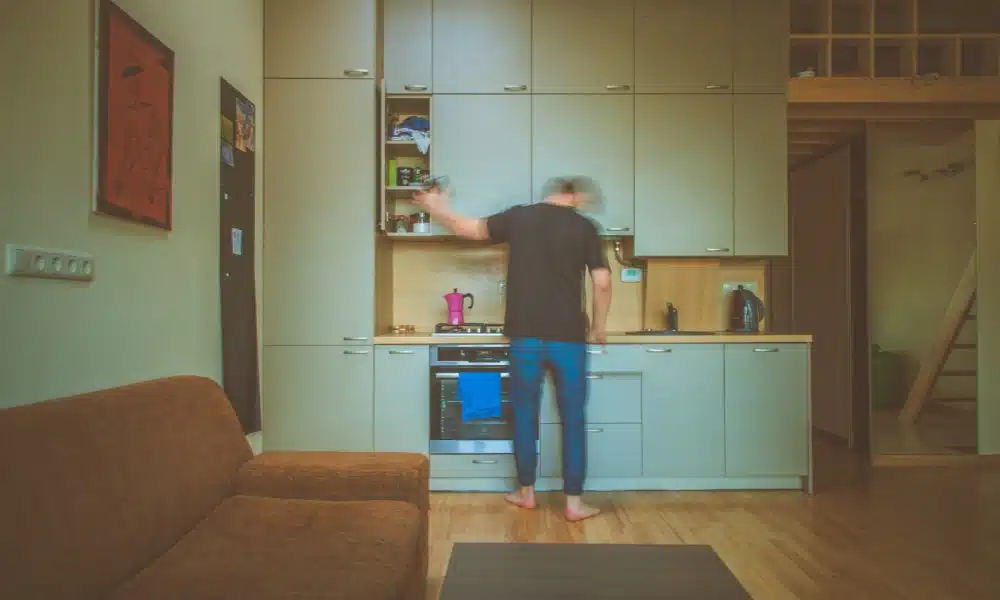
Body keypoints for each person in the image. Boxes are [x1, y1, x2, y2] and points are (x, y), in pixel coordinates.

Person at [413, 177, 612, 522]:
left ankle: (526, 493)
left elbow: (468, 229)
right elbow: (603, 282)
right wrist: (598, 327)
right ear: (574, 196)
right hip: (569, 339)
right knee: (574, 420)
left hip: (525, 336)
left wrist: (435, 207)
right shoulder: (585, 227)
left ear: (550, 193)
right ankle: (574, 504)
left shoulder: (521, 217)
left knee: (524, 414)